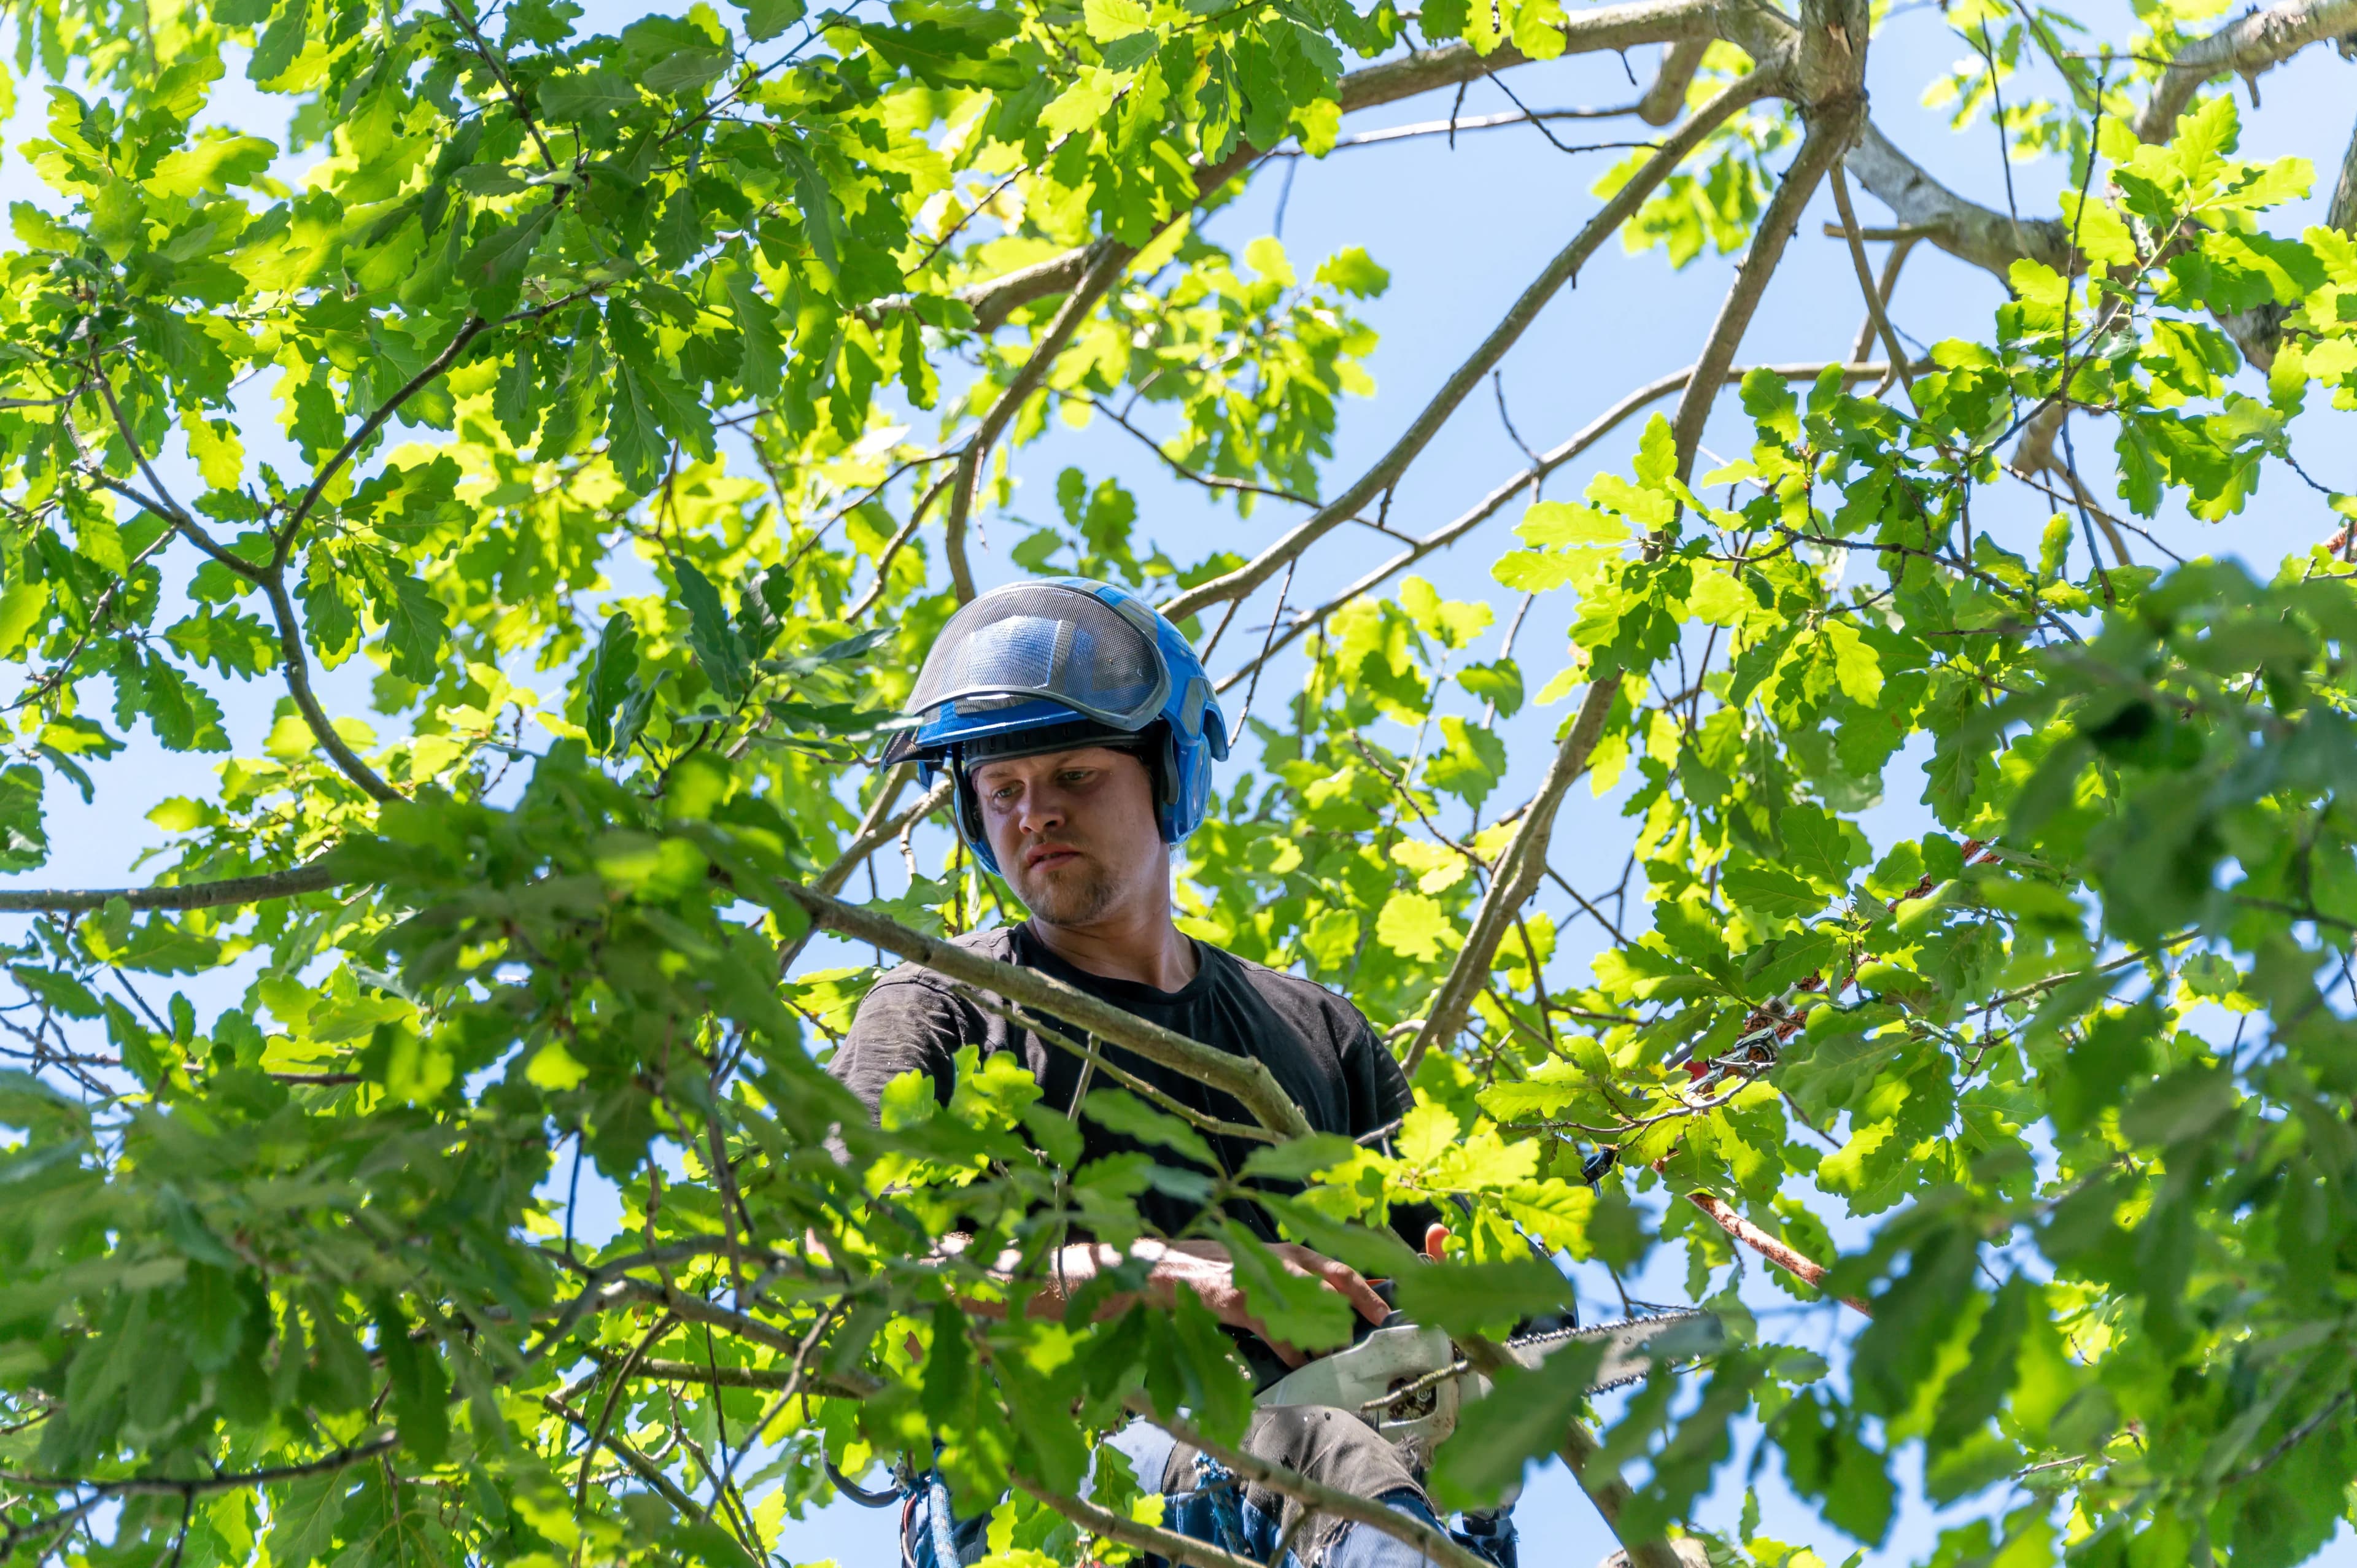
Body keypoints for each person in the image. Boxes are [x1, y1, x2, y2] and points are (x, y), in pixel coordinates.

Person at [827, 578, 1517, 1568]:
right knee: (1316, 1459)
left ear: (1167, 775)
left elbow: (1453, 1287)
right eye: (1004, 791)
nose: (1035, 816)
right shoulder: (943, 1007)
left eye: (1073, 776)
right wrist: (1186, 1281)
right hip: (1058, 1489)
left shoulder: (1315, 1034)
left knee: (1443, 1491)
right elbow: (867, 1268)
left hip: (1326, 1480)